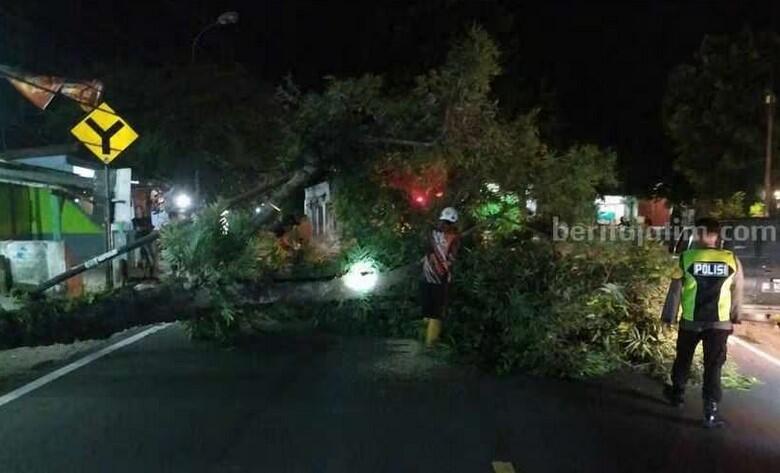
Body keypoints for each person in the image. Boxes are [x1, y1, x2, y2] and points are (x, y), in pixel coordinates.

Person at [661, 217, 743, 428]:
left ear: (703, 234)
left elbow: (675, 291)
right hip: (719, 324)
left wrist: (669, 316)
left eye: (698, 233)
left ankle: (677, 395)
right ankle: (711, 411)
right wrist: (735, 316)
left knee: (683, 359)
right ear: (717, 236)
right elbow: (738, 291)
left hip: (691, 321)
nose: (697, 236)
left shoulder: (686, 258)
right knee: (713, 365)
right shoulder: (731, 259)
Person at [421, 207, 461, 346]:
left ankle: (425, 336)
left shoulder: (431, 234)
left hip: (428, 276)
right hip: (439, 278)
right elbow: (451, 259)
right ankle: (431, 342)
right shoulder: (454, 238)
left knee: (429, 308)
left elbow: (426, 250)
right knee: (436, 311)